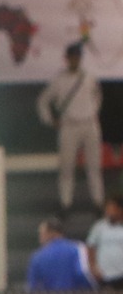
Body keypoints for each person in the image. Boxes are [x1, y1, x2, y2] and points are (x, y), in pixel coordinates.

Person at [40, 42, 104, 212]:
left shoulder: (89, 77)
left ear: (80, 58)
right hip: (69, 126)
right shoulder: (59, 80)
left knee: (94, 167)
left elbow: (97, 96)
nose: (75, 60)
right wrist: (50, 120)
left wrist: (92, 111)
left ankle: (98, 202)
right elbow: (43, 101)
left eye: (78, 57)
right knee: (66, 168)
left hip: (90, 124)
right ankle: (65, 203)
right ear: (67, 59)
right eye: (72, 57)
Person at [87, 196, 123, 294]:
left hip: (121, 275)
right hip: (105, 276)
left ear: (119, 209)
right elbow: (90, 247)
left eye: (111, 208)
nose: (108, 211)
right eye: (107, 208)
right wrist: (93, 267)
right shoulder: (99, 227)